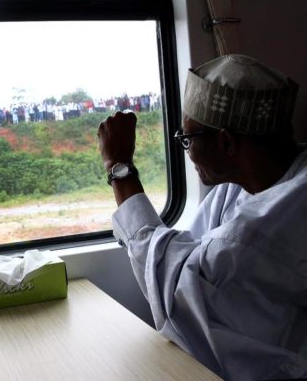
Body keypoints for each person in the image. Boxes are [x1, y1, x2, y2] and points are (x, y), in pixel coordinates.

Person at [97, 54, 307, 380]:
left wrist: (118, 167)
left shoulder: (264, 231)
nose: (187, 150)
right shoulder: (241, 187)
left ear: (225, 142)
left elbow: (173, 279)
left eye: (187, 139)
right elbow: (190, 252)